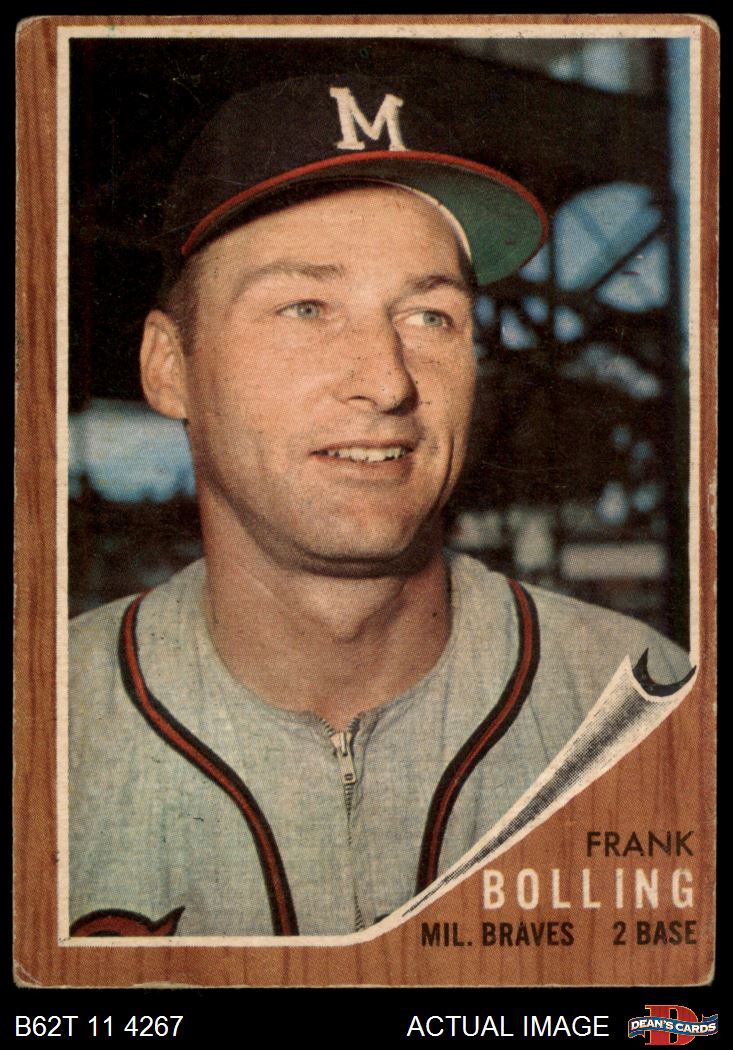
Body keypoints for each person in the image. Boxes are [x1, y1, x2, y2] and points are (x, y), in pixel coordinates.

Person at [68, 74, 690, 938]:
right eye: (306, 307)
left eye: (429, 316)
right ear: (168, 367)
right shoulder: (47, 724)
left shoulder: (647, 705)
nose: (387, 380)